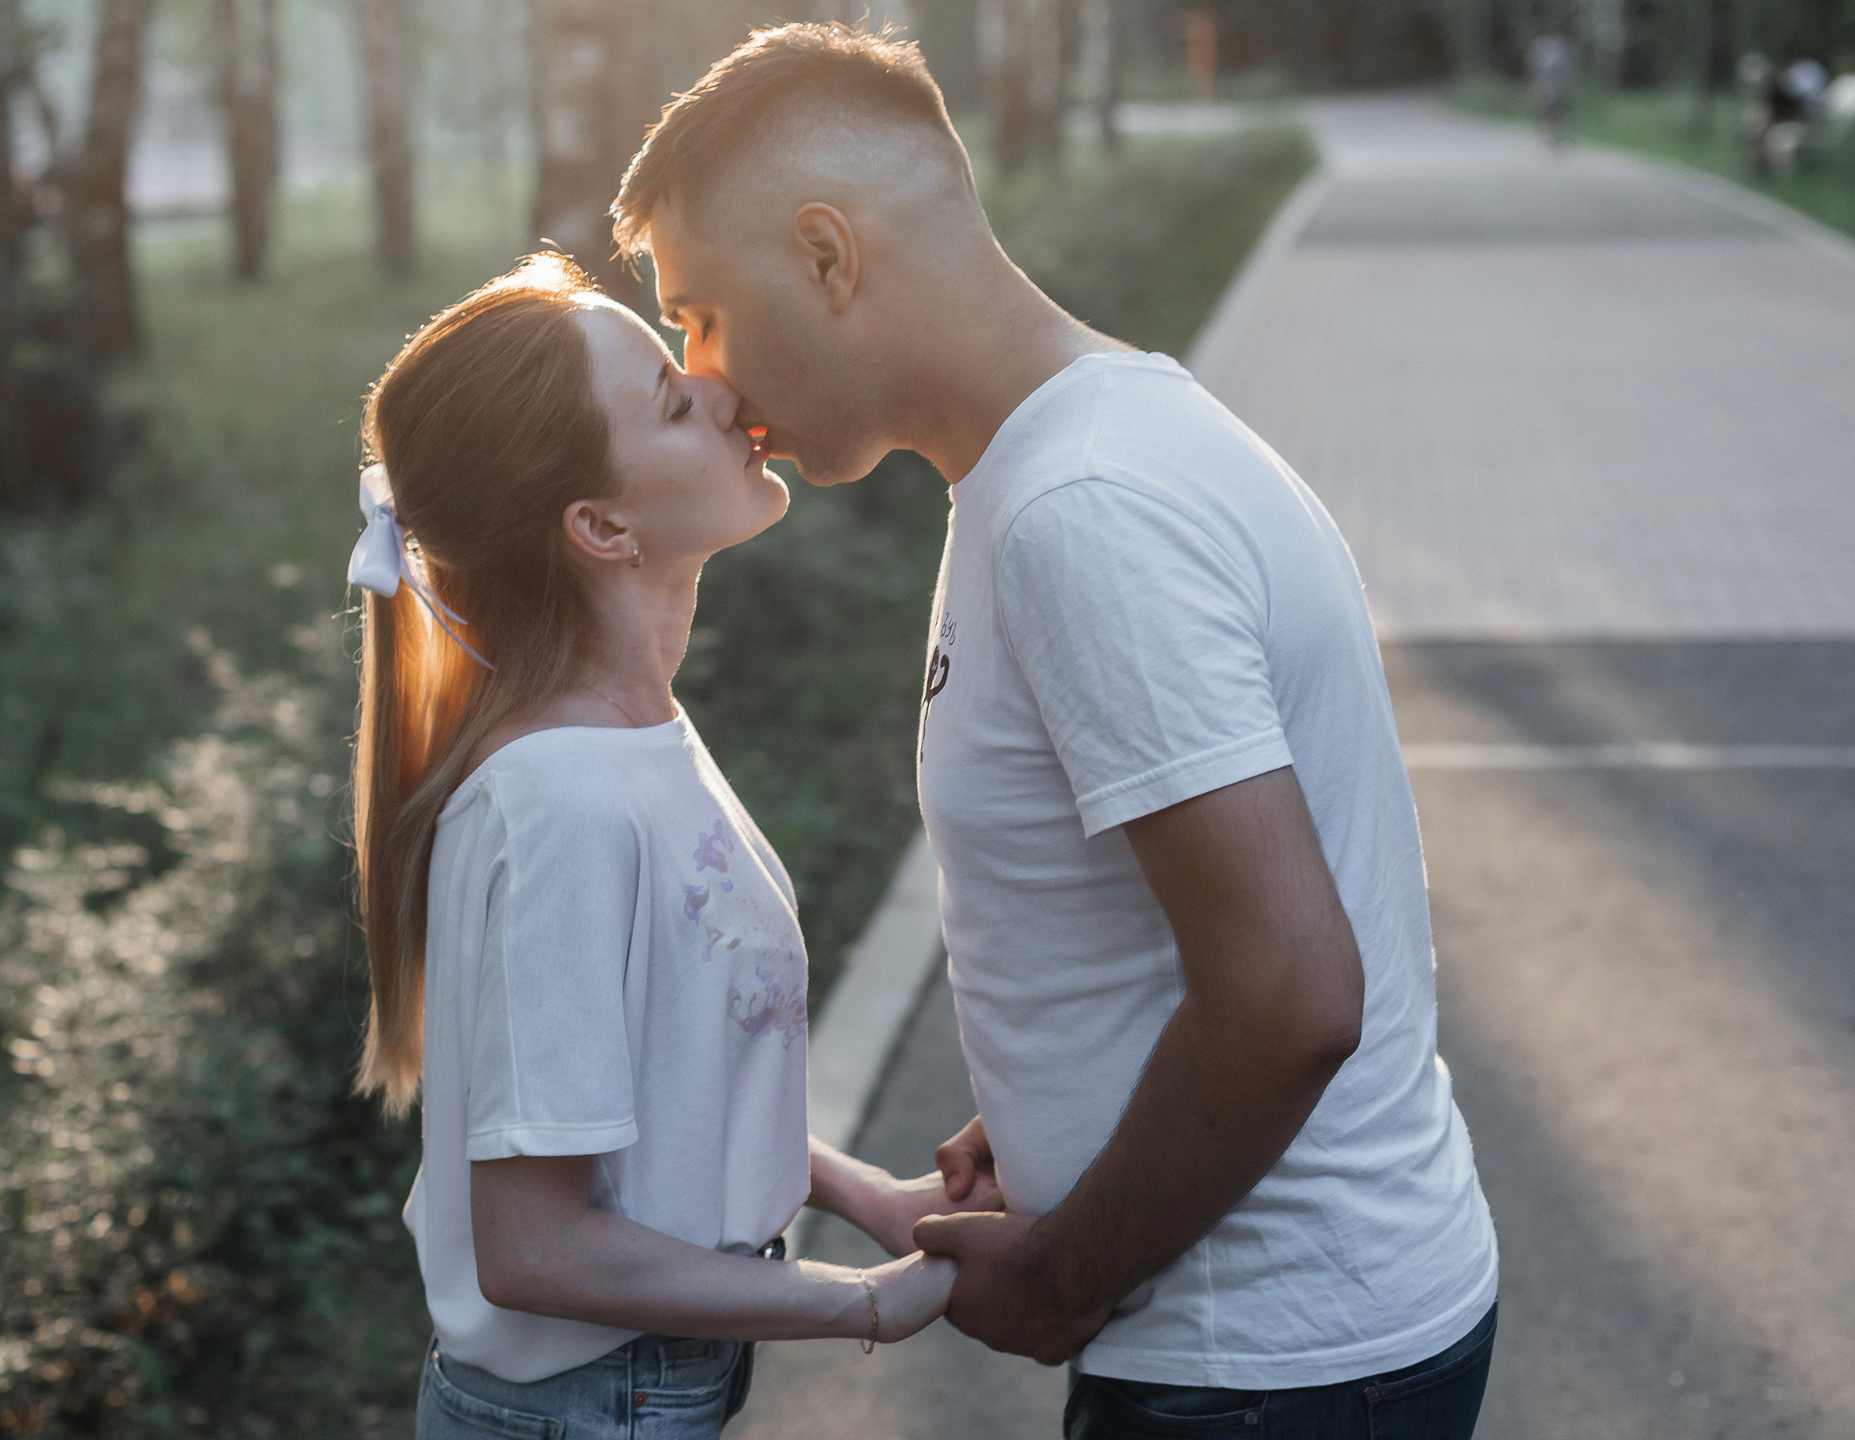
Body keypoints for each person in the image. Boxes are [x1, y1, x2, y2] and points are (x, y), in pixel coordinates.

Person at [612, 24, 1500, 1440]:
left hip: (1259, 1373)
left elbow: (1290, 996)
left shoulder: (1079, 510)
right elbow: (1193, 931)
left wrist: (1060, 1272)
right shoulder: (1098, 447)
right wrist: (1059, 1098)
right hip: (1307, 1346)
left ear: (829, 257)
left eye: (700, 311)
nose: (705, 376)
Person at [349, 254, 978, 1438]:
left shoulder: (631, 742)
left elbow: (670, 1076)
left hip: (639, 1395)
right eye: (670, 399)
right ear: (599, 525)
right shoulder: (560, 806)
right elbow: (532, 1249)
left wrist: (870, 1198)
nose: (721, 393)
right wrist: (868, 1304)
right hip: (591, 1410)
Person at [1528, 31, 1575, 147]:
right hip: (1551, 92)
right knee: (1552, 113)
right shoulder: (1553, 60)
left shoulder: (1551, 60)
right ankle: (1551, 136)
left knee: (1554, 113)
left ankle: (1552, 136)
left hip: (1554, 92)